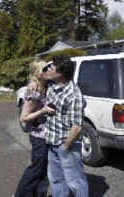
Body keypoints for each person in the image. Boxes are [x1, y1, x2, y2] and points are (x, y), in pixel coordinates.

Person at [44, 55, 89, 197]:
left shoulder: (74, 95)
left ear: (60, 74)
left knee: (75, 182)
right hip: (52, 142)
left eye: (52, 68)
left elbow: (77, 127)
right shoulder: (52, 85)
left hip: (66, 145)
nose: (48, 69)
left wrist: (65, 148)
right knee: (56, 179)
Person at [14, 59, 55, 197]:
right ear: (38, 73)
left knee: (44, 170)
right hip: (38, 137)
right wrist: (43, 111)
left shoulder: (45, 84)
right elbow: (23, 118)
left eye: (48, 67)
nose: (48, 70)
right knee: (36, 169)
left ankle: (39, 194)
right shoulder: (34, 91)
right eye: (44, 69)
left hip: (46, 134)